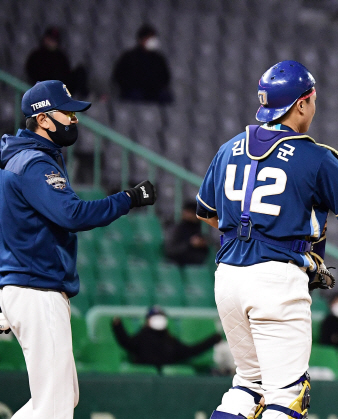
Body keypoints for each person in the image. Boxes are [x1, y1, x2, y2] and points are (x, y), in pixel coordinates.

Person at [196, 60, 338, 419]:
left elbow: (208, 213)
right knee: (287, 395)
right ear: (301, 103)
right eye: (312, 99)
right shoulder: (315, 155)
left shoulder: (229, 148)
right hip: (276, 278)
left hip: (228, 275)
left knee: (248, 385)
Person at [0, 80, 156, 419]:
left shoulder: (20, 159)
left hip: (25, 286)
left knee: (62, 397)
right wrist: (127, 199)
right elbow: (73, 215)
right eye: (67, 112)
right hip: (36, 289)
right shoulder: (34, 163)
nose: (75, 119)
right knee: (55, 408)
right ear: (42, 119)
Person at [112, 306, 222, 370]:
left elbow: (190, 351)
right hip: (143, 378)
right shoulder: (142, 338)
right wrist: (118, 327)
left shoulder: (170, 341)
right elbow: (126, 342)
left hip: (167, 381)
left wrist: (212, 340)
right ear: (147, 321)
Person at [112, 24, 172, 104]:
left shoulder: (159, 59)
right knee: (135, 95)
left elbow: (165, 77)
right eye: (149, 38)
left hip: (153, 92)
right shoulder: (129, 57)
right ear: (141, 39)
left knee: (166, 97)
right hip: (134, 90)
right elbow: (118, 76)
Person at [25, 27, 88, 97]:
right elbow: (31, 73)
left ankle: (83, 97)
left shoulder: (61, 56)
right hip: (44, 88)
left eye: (54, 40)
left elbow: (67, 73)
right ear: (45, 39)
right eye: (50, 39)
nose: (52, 42)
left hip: (62, 88)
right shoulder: (36, 55)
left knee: (80, 71)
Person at [165, 201, 210, 266]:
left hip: (196, 264)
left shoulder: (199, 228)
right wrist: (190, 243)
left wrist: (203, 244)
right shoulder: (177, 229)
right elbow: (171, 250)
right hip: (178, 263)